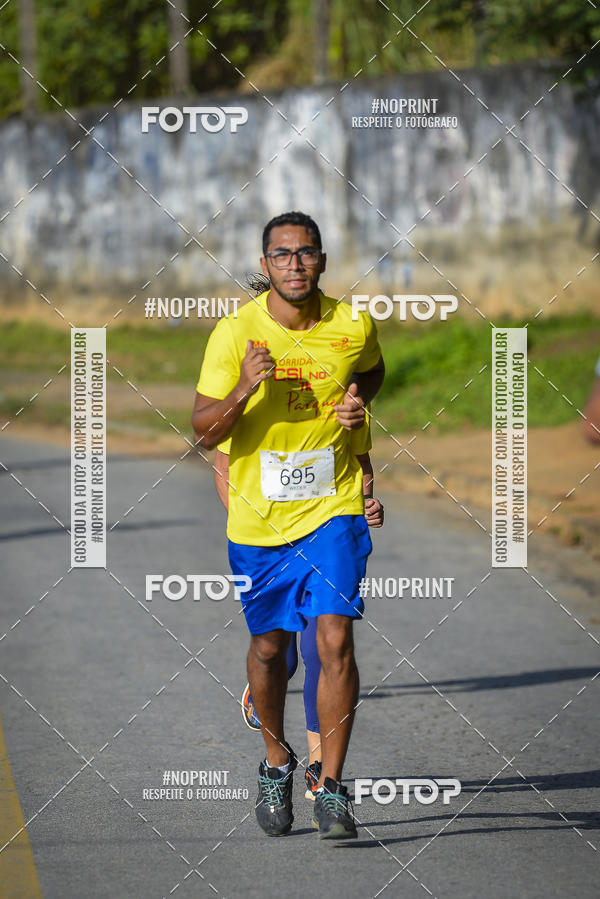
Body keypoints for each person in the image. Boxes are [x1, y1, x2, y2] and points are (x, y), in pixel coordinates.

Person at [193, 210, 385, 839]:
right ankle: (276, 761)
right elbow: (204, 431)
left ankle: (331, 785)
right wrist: (244, 389)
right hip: (258, 521)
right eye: (282, 255)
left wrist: (358, 401)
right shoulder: (235, 333)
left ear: (323, 261)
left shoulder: (353, 324)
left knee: (335, 640)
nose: (295, 264)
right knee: (271, 649)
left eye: (306, 253)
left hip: (332, 506)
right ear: (264, 264)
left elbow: (373, 370)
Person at [212, 425, 384, 801]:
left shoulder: (340, 389)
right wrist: (249, 522)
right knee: (279, 655)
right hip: (269, 542)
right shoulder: (256, 393)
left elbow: (360, 459)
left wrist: (365, 500)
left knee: (321, 652)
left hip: (326, 537)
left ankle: (320, 768)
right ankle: (264, 701)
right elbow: (223, 467)